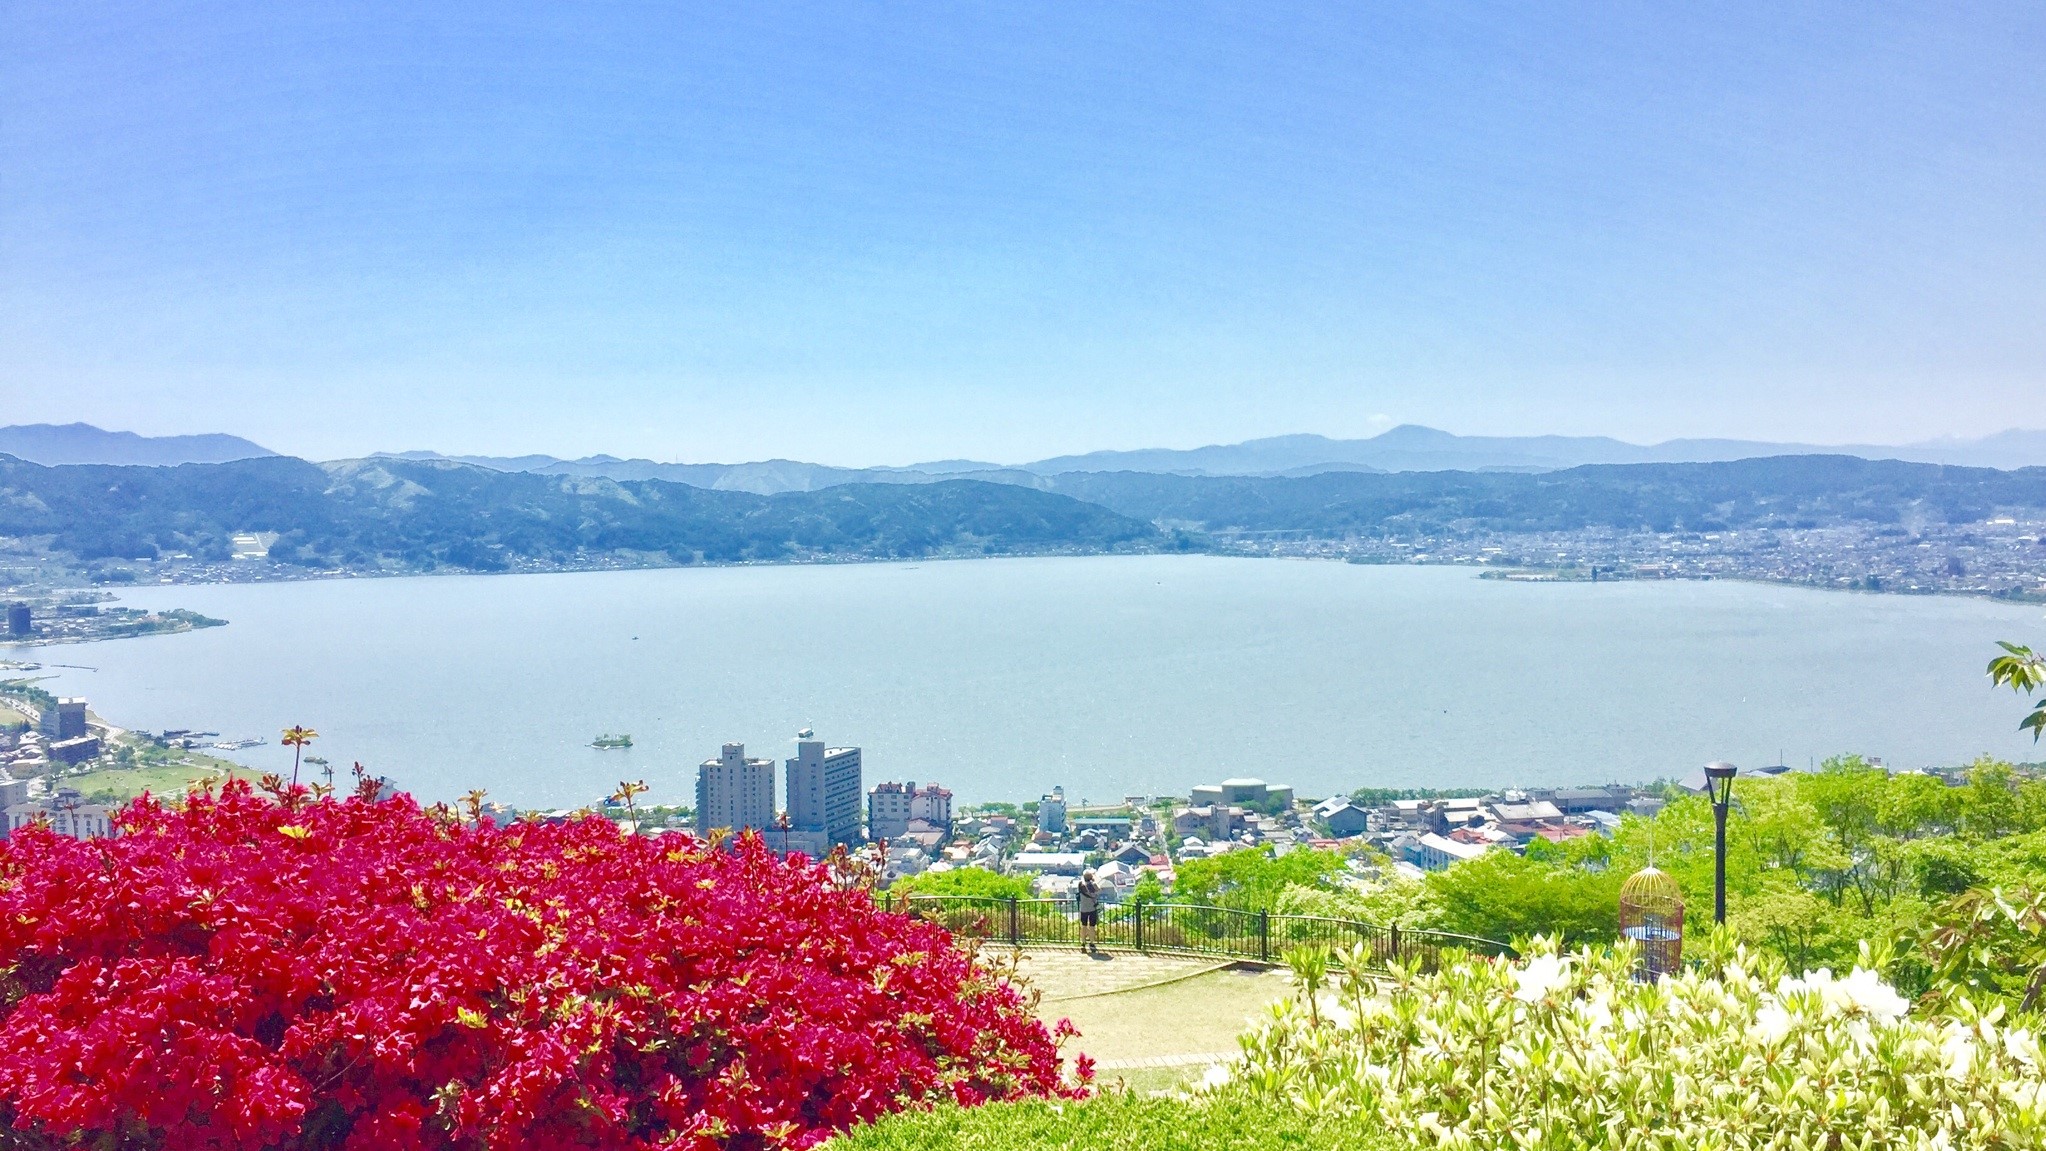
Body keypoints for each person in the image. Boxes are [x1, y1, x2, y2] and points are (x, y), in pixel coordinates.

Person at [1076, 868, 1101, 952]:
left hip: (1083, 908)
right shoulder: (1094, 885)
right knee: (1092, 926)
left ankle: (1083, 942)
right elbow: (1099, 891)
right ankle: (1092, 943)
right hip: (1092, 908)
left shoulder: (1080, 884)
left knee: (1083, 926)